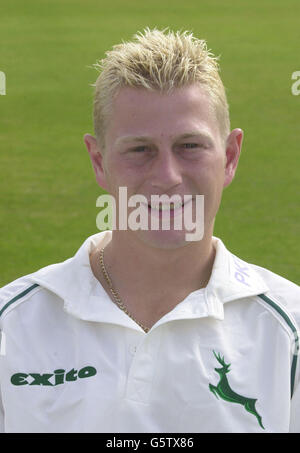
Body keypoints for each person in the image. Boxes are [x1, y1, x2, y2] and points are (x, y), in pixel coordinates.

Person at [0, 28, 299, 434]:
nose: (167, 177)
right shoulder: (11, 327)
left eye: (190, 146)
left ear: (229, 157)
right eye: (140, 149)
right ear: (99, 161)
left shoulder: (289, 334)